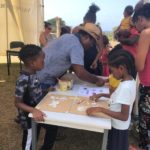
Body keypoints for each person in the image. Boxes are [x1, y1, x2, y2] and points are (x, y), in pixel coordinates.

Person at [86, 48, 136, 150]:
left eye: (112, 71)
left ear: (121, 68)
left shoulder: (126, 87)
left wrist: (100, 109)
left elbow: (124, 116)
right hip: (117, 125)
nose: (112, 75)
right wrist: (102, 95)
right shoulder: (128, 80)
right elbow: (118, 97)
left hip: (119, 128)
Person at [37, 23, 105, 91]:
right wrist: (97, 80)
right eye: (92, 43)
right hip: (43, 80)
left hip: (39, 76)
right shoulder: (77, 45)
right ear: (86, 37)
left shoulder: (68, 36)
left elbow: (72, 66)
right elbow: (80, 73)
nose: (91, 46)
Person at [14, 44, 58, 150]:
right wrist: (33, 110)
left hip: (37, 109)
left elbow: (33, 89)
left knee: (53, 127)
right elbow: (17, 102)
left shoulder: (34, 74)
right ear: (32, 63)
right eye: (42, 60)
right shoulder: (23, 79)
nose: (44, 62)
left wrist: (45, 90)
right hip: (29, 117)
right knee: (31, 139)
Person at [133, 3, 150, 150]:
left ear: (140, 19)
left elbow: (140, 65)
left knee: (146, 122)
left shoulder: (146, 33)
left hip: (148, 84)